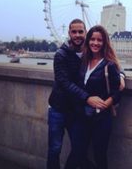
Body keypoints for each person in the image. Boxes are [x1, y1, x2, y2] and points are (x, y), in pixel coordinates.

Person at [47, 19, 107, 169]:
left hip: (76, 112)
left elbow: (109, 62)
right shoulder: (61, 55)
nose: (78, 35)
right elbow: (65, 83)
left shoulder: (89, 52)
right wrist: (87, 98)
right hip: (58, 109)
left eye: (81, 31)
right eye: (74, 32)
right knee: (55, 149)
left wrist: (121, 75)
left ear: (85, 32)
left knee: (79, 150)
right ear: (69, 33)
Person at [64, 25, 122, 169]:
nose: (95, 43)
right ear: (88, 41)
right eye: (92, 39)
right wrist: (88, 99)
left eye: (99, 40)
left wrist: (104, 104)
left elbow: (117, 92)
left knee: (99, 156)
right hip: (81, 117)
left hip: (101, 119)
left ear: (104, 43)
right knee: (77, 153)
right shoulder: (84, 61)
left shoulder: (110, 65)